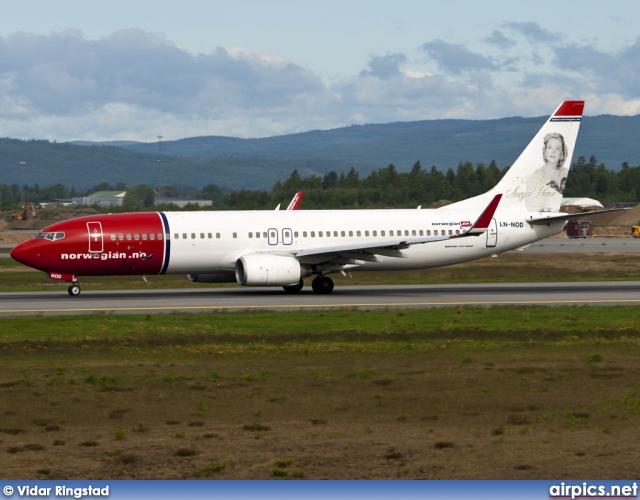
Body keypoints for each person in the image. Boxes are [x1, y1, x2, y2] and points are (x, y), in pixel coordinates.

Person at [525, 132, 568, 210]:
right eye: (550, 147)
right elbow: (530, 205)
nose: (553, 151)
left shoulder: (566, 172)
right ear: (545, 151)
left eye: (557, 148)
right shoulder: (537, 175)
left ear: (562, 153)